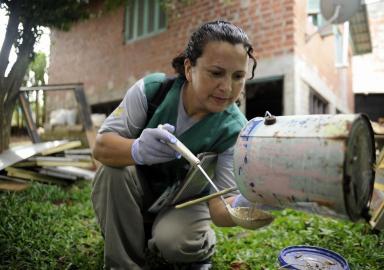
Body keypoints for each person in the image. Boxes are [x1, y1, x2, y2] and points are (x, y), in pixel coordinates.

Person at [91, 20, 268, 270]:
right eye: (216, 73)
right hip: (140, 190)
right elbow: (101, 148)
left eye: (238, 76)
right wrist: (137, 149)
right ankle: (123, 262)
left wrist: (248, 203)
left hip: (187, 203)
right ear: (189, 68)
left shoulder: (235, 130)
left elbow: (220, 208)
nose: (227, 88)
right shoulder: (152, 92)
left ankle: (192, 242)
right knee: (112, 171)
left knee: (176, 242)